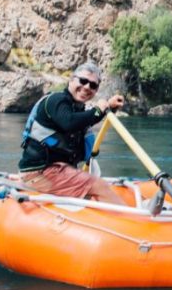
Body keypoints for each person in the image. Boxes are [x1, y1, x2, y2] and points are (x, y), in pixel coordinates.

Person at [19, 62, 125, 203]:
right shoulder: (56, 101)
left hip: (59, 171)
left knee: (95, 193)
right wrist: (98, 110)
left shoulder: (77, 110)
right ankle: (139, 223)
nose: (87, 87)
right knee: (97, 185)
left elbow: (83, 121)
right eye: (83, 81)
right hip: (40, 174)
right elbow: (69, 122)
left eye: (93, 85)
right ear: (71, 80)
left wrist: (109, 107)